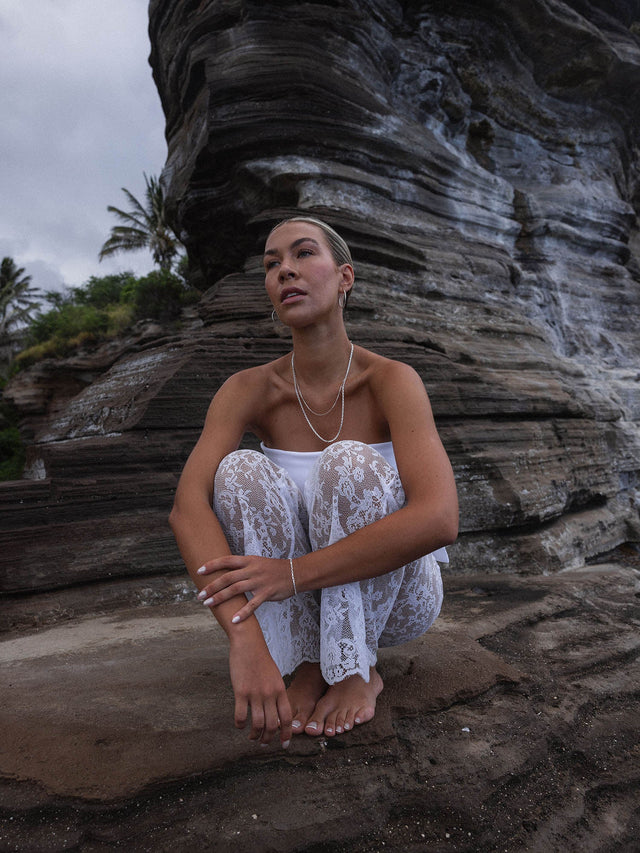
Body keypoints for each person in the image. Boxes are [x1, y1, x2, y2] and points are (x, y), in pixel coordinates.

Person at [169, 216, 458, 750]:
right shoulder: (249, 388)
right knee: (237, 471)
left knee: (346, 462)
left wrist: (292, 574)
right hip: (294, 601)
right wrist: (244, 638)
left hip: (397, 599)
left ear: (345, 277)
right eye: (272, 264)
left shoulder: (392, 380)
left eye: (303, 254)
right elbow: (187, 509)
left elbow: (440, 518)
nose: (285, 271)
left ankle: (353, 668)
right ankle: (305, 663)